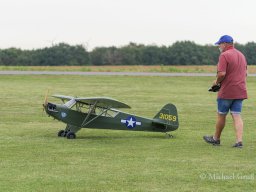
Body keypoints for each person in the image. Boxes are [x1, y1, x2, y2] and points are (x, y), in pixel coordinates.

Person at [203, 35, 248, 148]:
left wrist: (216, 82)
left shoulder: (224, 55)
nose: (219, 46)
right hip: (240, 90)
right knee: (237, 115)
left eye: (220, 44)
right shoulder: (241, 55)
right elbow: (245, 73)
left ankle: (216, 139)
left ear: (225, 44)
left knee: (221, 115)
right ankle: (239, 141)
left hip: (227, 91)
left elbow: (222, 73)